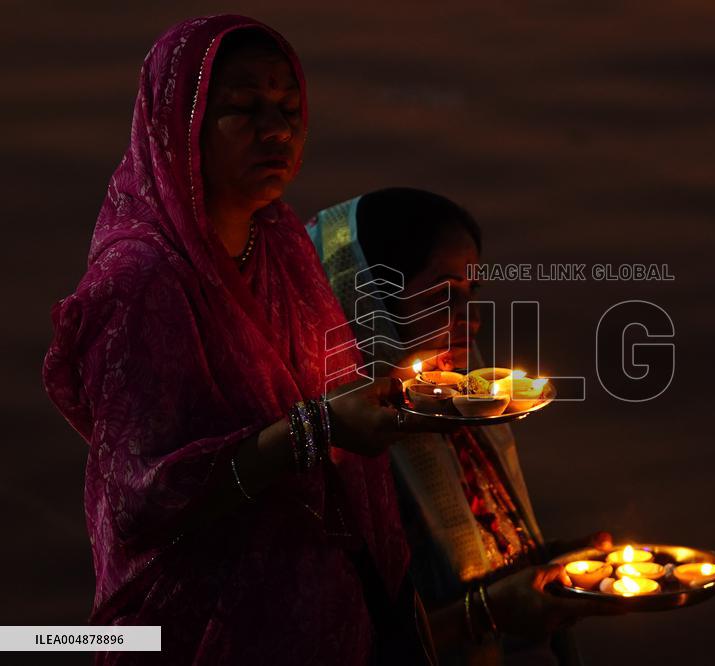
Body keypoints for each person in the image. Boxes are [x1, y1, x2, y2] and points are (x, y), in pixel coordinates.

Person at [42, 17, 434, 665]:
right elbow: (142, 496)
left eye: (289, 109)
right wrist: (320, 429)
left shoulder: (277, 239)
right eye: (244, 108)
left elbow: (325, 390)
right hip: (199, 628)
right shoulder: (139, 282)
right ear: (179, 124)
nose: (276, 130)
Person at [308, 188, 619, 665]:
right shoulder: (334, 450)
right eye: (444, 294)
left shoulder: (461, 422)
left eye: (471, 293)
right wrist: (486, 615)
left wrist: (550, 565)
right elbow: (330, 650)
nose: (469, 320)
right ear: (369, 298)